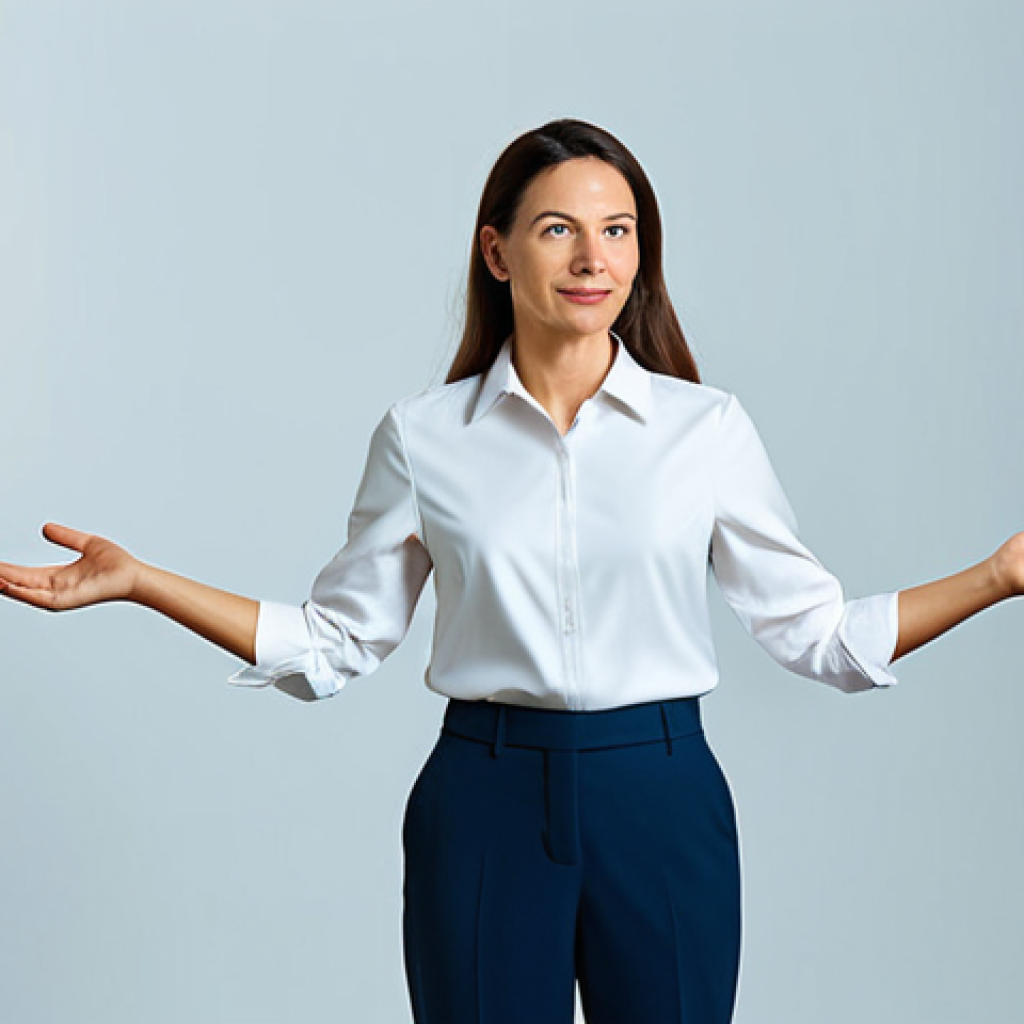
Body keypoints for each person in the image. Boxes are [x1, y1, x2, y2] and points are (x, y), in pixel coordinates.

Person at [1, 118, 1020, 1024]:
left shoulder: (704, 431)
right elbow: (335, 639)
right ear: (496, 250)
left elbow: (818, 634)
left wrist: (998, 575)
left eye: (618, 229)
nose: (593, 257)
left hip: (660, 798)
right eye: (557, 229)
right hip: (481, 800)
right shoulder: (424, 436)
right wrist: (142, 581)